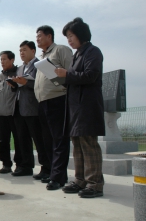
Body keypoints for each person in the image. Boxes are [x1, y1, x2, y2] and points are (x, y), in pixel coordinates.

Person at [56, 17, 105, 198]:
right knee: (77, 143)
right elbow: (76, 77)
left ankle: (95, 183)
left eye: (71, 35)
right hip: (76, 106)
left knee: (89, 144)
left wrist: (67, 74)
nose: (69, 40)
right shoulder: (77, 55)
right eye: (67, 37)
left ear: (81, 34)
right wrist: (63, 78)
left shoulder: (93, 52)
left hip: (88, 105)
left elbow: (90, 75)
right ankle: (80, 179)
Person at [34, 25, 73, 190]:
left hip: (58, 99)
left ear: (49, 36)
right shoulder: (42, 57)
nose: (37, 39)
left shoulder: (61, 50)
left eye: (40, 36)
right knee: (48, 140)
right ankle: (51, 172)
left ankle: (58, 177)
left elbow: (72, 72)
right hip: (43, 102)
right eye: (36, 37)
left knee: (59, 139)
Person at [11, 41, 50, 178]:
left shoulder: (39, 65)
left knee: (39, 140)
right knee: (23, 139)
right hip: (20, 108)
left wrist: (26, 82)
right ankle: (26, 166)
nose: (22, 53)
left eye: (24, 50)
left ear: (33, 51)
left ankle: (46, 168)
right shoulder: (20, 68)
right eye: (20, 50)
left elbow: (41, 83)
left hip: (34, 108)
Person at [0, 51, 19, 174]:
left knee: (18, 139)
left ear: (12, 60)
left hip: (14, 112)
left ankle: (20, 164)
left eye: (4, 59)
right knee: (3, 140)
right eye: (1, 60)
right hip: (2, 113)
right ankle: (6, 164)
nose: (2, 62)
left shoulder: (18, 73)